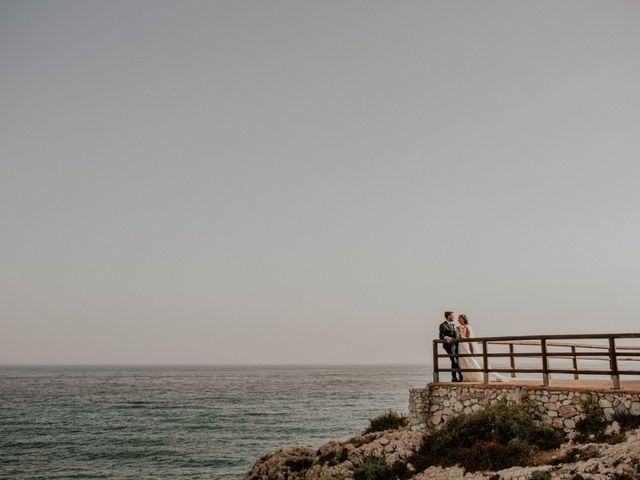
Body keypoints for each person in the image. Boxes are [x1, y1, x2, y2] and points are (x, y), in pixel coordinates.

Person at [456, 314, 505, 383]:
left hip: (464, 344)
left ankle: (476, 375)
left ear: (464, 319)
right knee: (462, 361)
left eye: (460, 318)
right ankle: (467, 376)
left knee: (469, 360)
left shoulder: (466, 327)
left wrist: (461, 337)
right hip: (460, 345)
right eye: (458, 318)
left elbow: (468, 337)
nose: (459, 319)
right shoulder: (458, 327)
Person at [439, 311, 463, 382]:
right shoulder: (443, 325)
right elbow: (441, 336)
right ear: (448, 316)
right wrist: (446, 337)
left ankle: (455, 377)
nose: (453, 317)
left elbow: (455, 336)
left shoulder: (453, 325)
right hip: (448, 345)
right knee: (454, 360)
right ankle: (458, 375)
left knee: (456, 360)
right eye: (452, 316)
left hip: (455, 344)